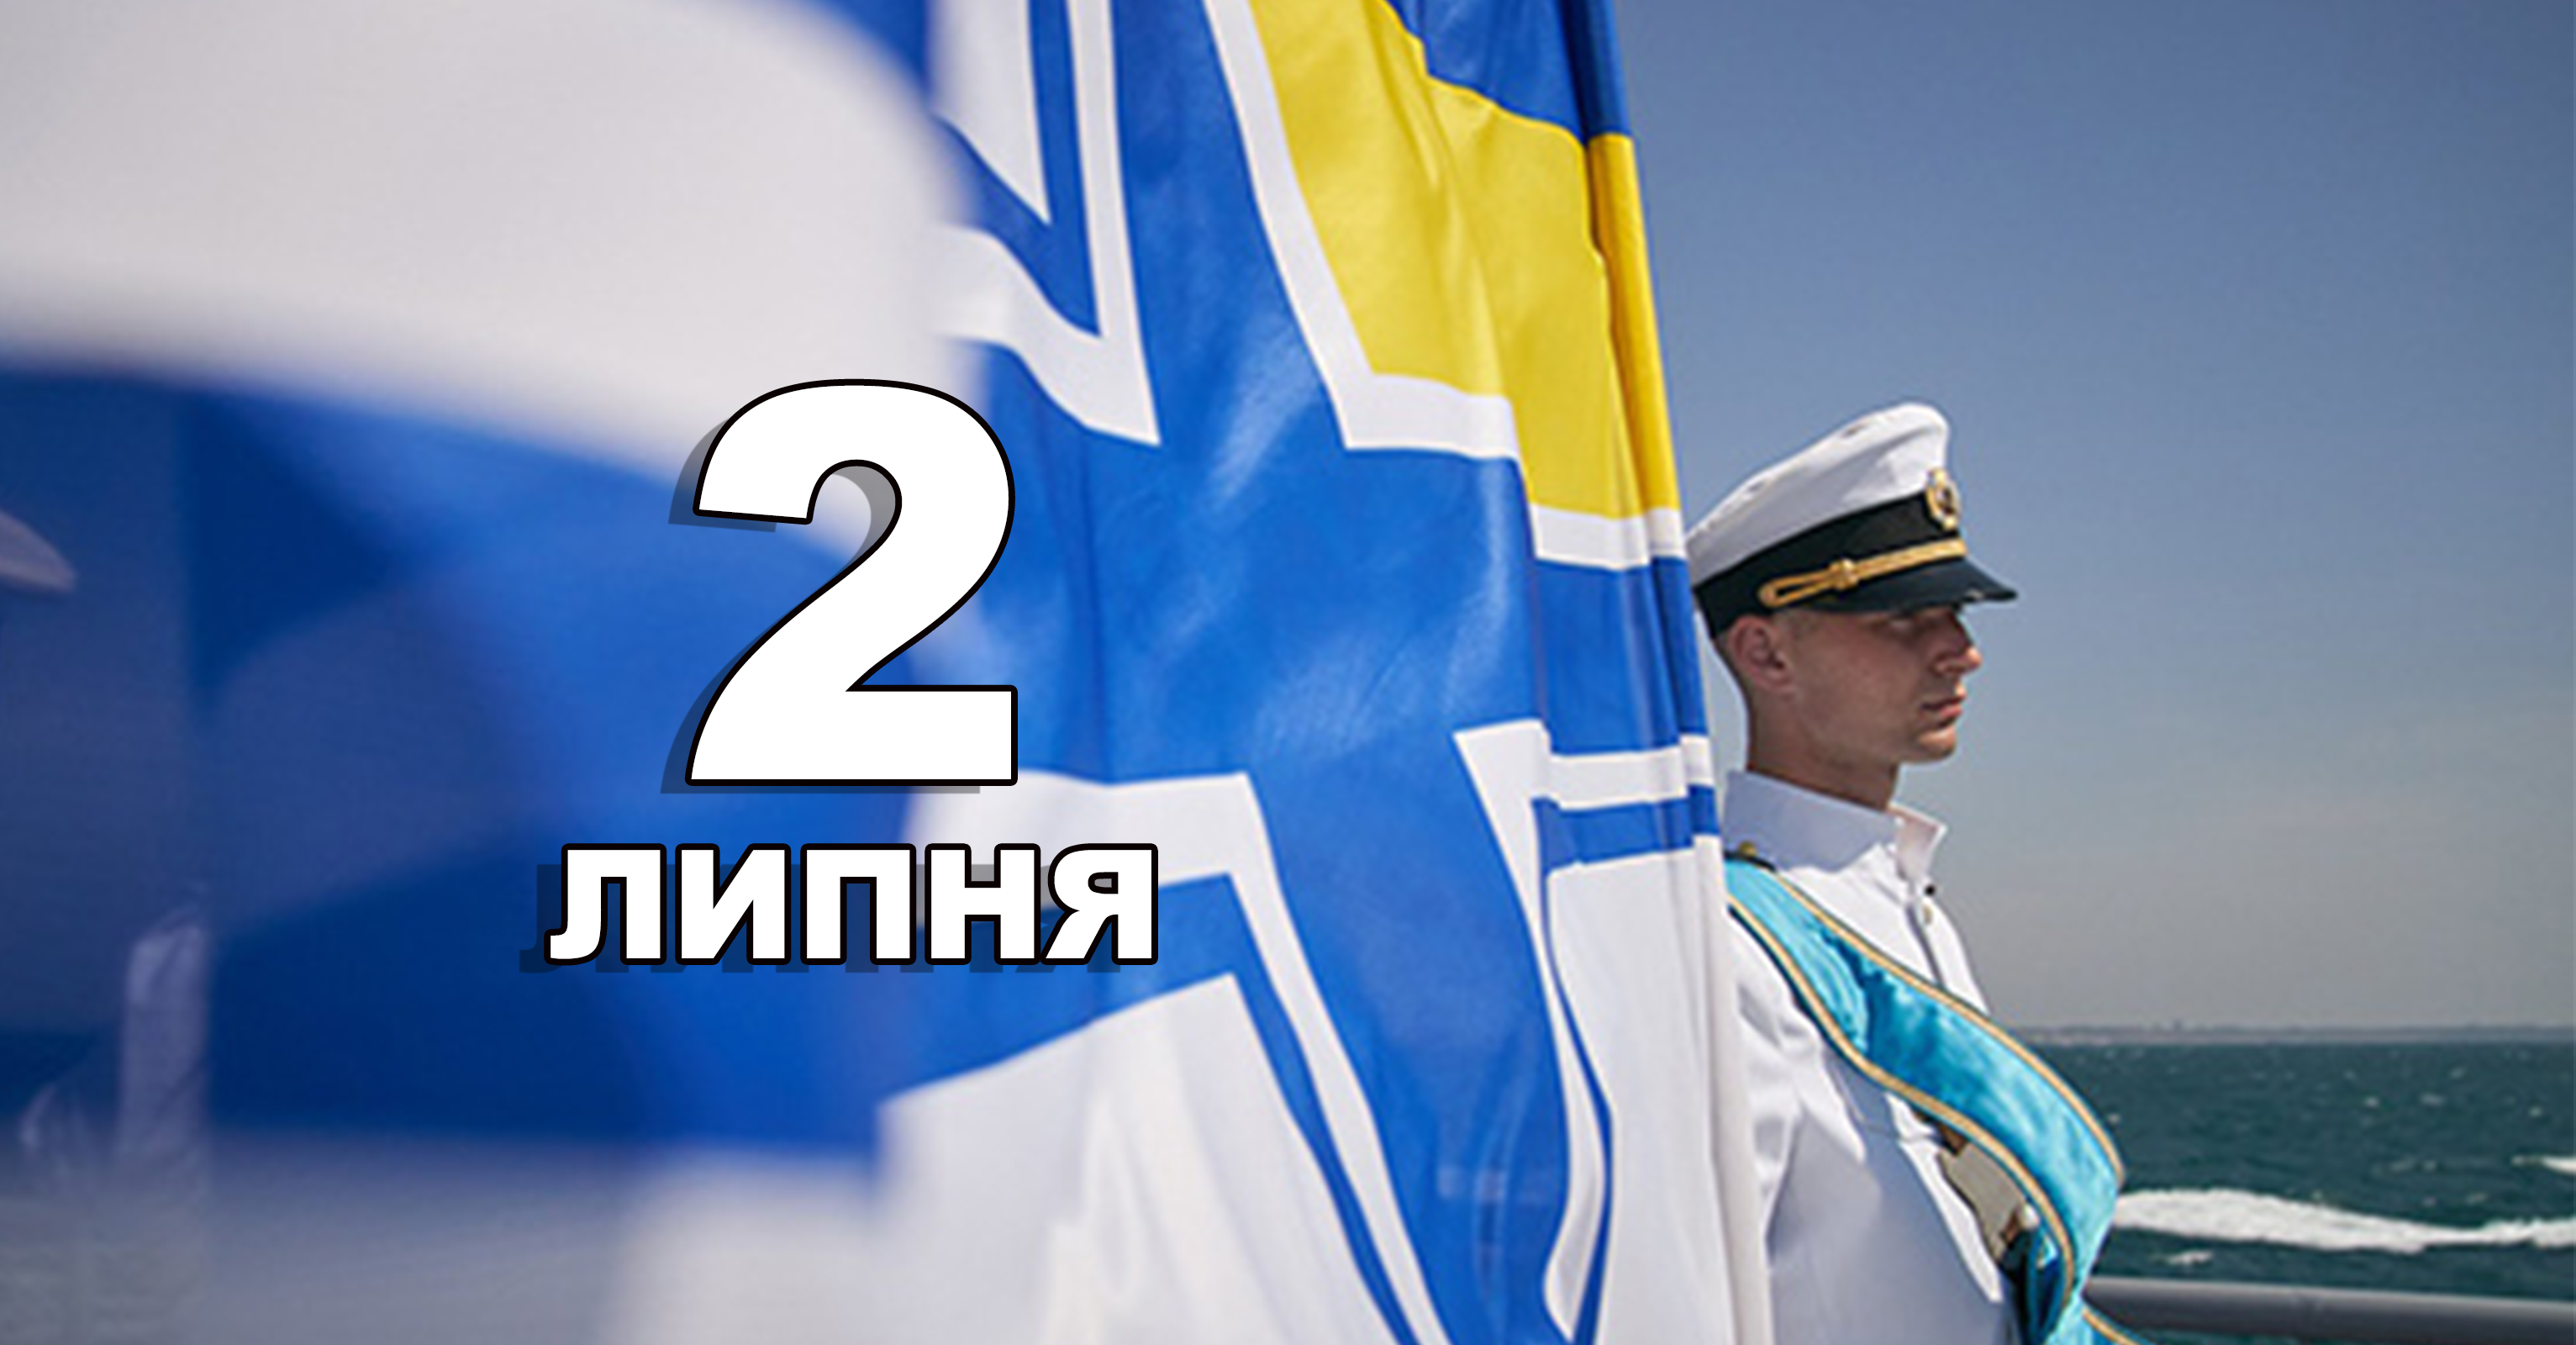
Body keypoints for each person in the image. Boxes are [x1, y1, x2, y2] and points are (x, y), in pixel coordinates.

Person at [1688, 404, 2139, 1345]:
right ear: (1764, 652)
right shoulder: (1722, 949)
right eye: (1902, 619)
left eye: (1955, 615)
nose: (1960, 651)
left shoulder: (1905, 906)